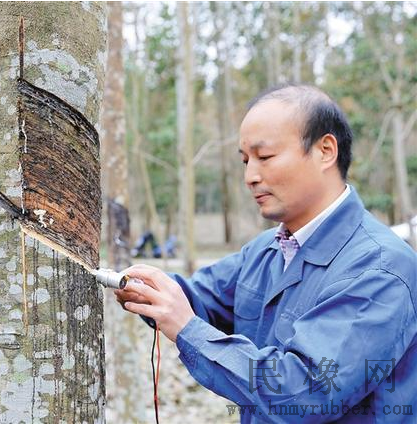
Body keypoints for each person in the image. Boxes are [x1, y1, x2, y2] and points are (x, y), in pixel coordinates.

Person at [116, 85, 417, 423]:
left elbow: (304, 391)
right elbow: (199, 298)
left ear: (325, 150)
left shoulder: (379, 268)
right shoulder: (266, 250)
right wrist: (138, 286)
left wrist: (187, 328)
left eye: (265, 157)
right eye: (245, 160)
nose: (250, 176)